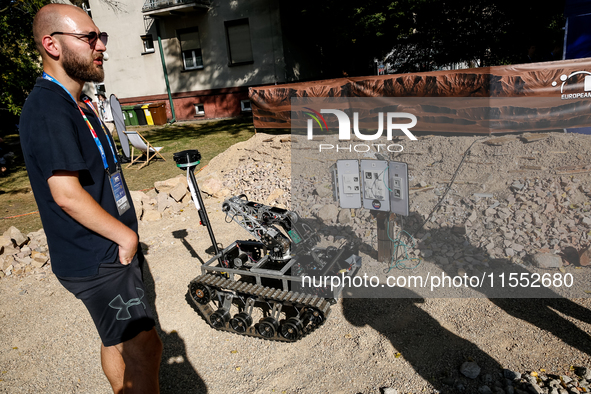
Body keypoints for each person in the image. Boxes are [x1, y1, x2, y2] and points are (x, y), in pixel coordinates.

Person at [19, 4, 162, 393]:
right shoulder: (49, 109)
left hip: (106, 248)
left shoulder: (77, 102)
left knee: (115, 339)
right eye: (89, 38)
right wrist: (125, 237)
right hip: (97, 257)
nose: (101, 46)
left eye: (102, 37)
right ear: (52, 44)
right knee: (145, 347)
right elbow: (66, 195)